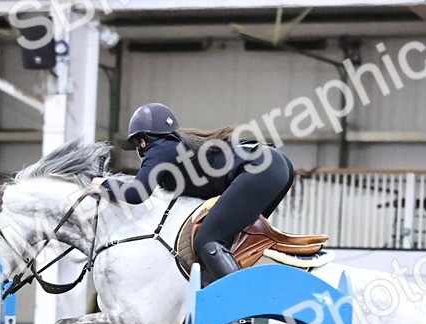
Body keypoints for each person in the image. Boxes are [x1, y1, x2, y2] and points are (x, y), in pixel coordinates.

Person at [92, 102, 295, 286]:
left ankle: (238, 307)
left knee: (206, 240)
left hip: (261, 168)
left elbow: (137, 193)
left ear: (142, 142)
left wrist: (103, 184)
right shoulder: (178, 146)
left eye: (137, 146)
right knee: (233, 240)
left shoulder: (160, 148)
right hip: (277, 165)